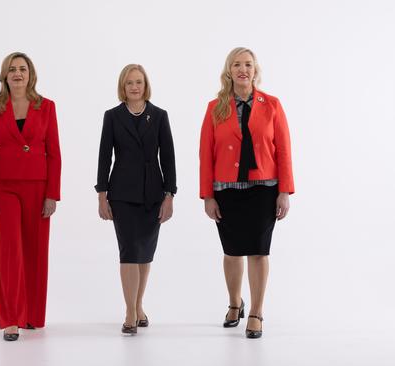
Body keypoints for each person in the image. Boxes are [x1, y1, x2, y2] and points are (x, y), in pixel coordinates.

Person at [199, 47, 294, 339]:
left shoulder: (273, 105)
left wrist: (285, 191)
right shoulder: (216, 106)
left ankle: (256, 311)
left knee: (258, 251)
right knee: (231, 252)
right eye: (237, 64)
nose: (243, 69)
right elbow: (205, 154)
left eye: (248, 65)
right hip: (226, 190)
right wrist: (208, 195)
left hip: (264, 190)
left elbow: (284, 150)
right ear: (229, 71)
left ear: (255, 70)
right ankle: (234, 303)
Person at [0, 52, 61, 341]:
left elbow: (55, 153)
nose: (17, 73)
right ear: (5, 75)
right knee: (11, 249)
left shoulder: (46, 107)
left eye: (22, 69)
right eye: (12, 69)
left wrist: (53, 194)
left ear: (31, 74)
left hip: (38, 187)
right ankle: (11, 318)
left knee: (36, 250)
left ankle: (33, 316)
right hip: (3, 187)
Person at [95, 64, 176, 335]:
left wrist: (170, 195)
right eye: (129, 82)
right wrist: (101, 194)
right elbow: (105, 156)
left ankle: (139, 305)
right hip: (122, 194)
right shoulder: (113, 116)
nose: (134, 87)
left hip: (153, 194)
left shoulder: (160, 116)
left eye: (138, 82)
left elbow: (168, 157)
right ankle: (130, 311)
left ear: (145, 85)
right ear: (123, 86)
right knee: (128, 250)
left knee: (145, 253)